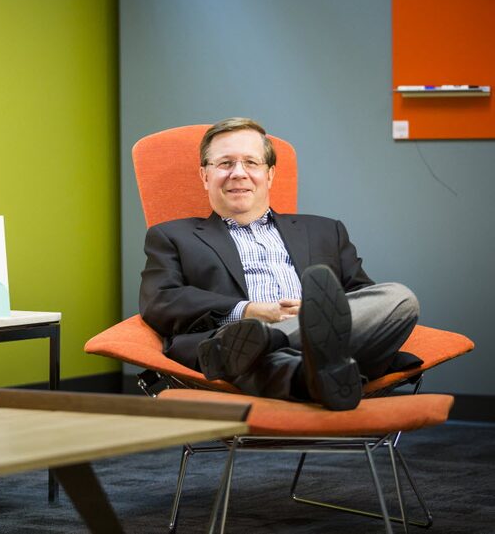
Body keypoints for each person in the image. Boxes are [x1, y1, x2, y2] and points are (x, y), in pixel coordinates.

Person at [138, 117, 421, 410]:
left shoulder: (325, 230)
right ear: (205, 175)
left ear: (270, 174)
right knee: (263, 358)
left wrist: (310, 319)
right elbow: (160, 300)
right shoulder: (173, 236)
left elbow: (362, 296)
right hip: (237, 337)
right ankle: (320, 376)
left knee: (400, 299)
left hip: (253, 350)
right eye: (225, 164)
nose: (238, 173)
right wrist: (249, 310)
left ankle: (272, 348)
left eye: (251, 162)